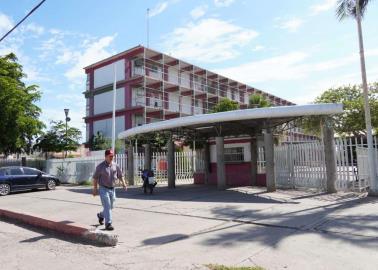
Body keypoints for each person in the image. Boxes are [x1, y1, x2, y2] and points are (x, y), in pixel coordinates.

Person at [92, 149, 127, 230]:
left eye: (112, 156)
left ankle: (101, 215)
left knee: (111, 206)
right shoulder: (100, 166)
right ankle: (108, 224)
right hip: (103, 188)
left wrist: (124, 183)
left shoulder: (115, 165)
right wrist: (95, 189)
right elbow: (95, 178)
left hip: (112, 189)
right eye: (110, 156)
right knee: (107, 206)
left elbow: (120, 175)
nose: (112, 157)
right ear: (105, 157)